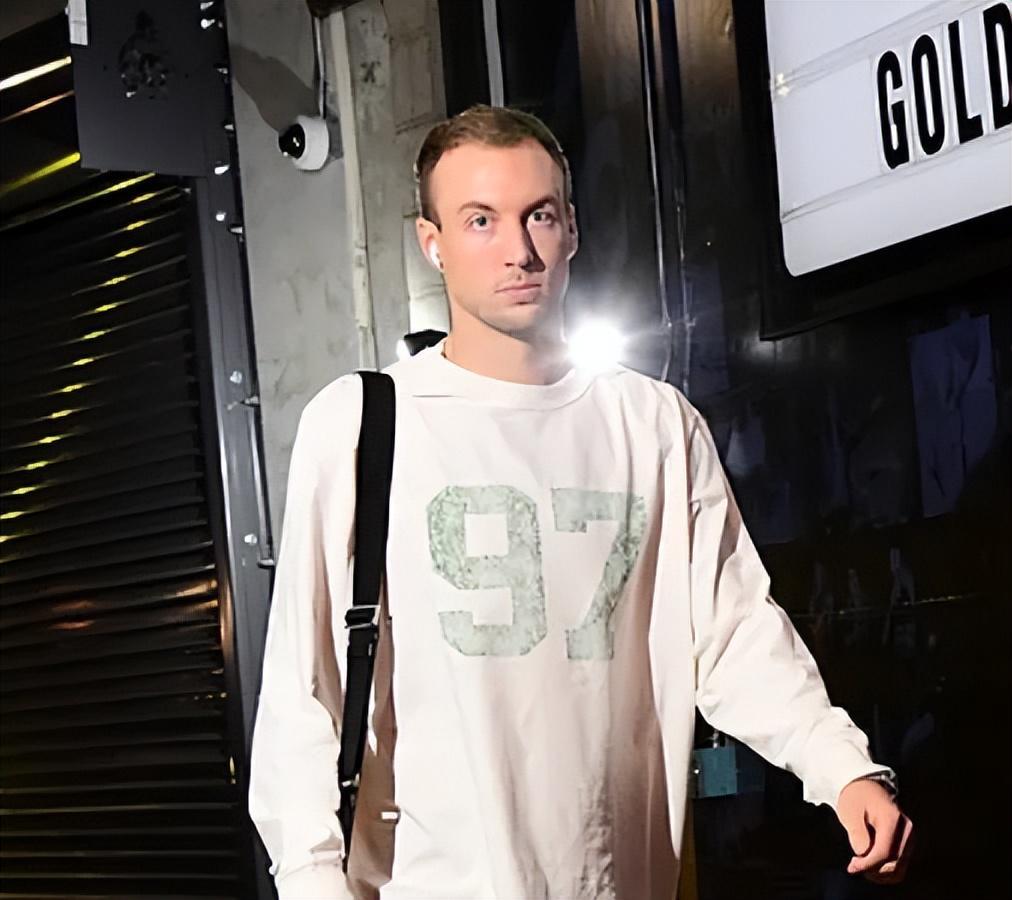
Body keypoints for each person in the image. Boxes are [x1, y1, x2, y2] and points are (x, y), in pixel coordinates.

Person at [248, 104, 914, 899]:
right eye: (481, 220)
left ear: (571, 229)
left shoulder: (652, 423)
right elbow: (301, 692)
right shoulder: (362, 424)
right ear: (433, 243)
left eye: (539, 215)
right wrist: (312, 882)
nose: (518, 250)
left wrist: (841, 767)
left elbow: (733, 630)